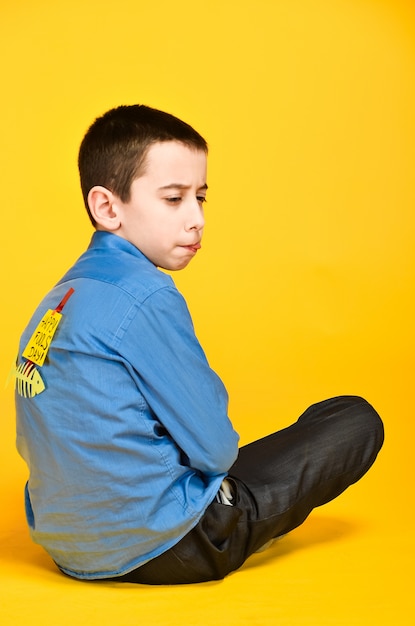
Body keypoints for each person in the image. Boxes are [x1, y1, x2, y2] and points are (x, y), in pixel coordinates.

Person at [15, 104, 384, 585]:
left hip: (68, 547)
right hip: (173, 545)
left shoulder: (61, 297)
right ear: (108, 207)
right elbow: (215, 452)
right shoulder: (145, 295)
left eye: (201, 198)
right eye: (173, 199)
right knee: (351, 418)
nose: (196, 219)